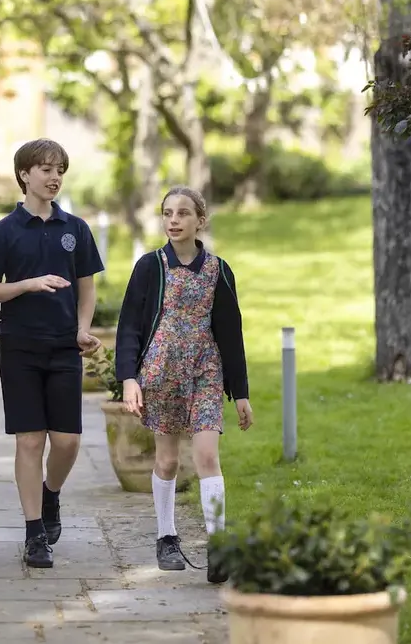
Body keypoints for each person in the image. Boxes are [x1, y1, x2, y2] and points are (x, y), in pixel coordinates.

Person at [0, 138, 104, 569]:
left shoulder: (75, 229)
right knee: (30, 440)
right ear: (24, 175)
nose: (54, 176)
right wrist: (28, 284)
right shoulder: (5, 231)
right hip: (20, 348)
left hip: (65, 347)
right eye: (45, 168)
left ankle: (50, 495)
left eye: (59, 169)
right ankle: (34, 535)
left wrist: (83, 330)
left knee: (67, 442)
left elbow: (87, 287)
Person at [114, 185, 253, 585]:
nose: (173, 220)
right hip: (161, 372)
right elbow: (129, 327)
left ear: (200, 220)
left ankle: (218, 544)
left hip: (205, 368)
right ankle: (167, 536)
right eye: (167, 213)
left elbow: (230, 332)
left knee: (208, 455)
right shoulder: (150, 266)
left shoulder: (218, 270)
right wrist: (128, 378)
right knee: (168, 461)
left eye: (182, 213)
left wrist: (240, 393)